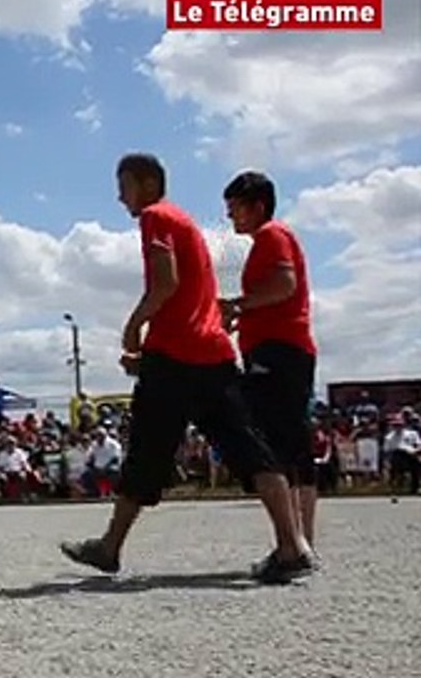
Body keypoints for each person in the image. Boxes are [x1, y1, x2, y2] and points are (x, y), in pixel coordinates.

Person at [60, 153, 314, 584]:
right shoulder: (185, 222)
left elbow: (166, 282)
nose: (119, 196)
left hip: (175, 355)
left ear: (145, 182)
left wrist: (134, 327)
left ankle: (109, 548)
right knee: (251, 450)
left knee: (146, 452)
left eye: (123, 185)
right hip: (213, 353)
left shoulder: (156, 218)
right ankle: (292, 545)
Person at [217, 171, 320, 558]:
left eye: (235, 209)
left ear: (257, 206)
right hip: (283, 347)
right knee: (291, 441)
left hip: (278, 351)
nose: (231, 218)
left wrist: (238, 305)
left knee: (277, 443)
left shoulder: (271, 236)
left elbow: (284, 285)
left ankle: (295, 542)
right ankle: (301, 538)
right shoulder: (272, 238)